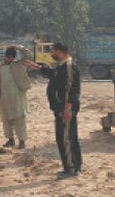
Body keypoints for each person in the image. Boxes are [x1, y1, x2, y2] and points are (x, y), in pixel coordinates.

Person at [26, 42, 82, 179]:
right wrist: (39, 68)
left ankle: (71, 169)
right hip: (61, 109)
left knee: (65, 139)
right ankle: (75, 165)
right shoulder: (61, 66)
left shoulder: (68, 67)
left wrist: (67, 109)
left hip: (65, 109)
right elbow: (54, 76)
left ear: (61, 51)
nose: (52, 54)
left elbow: (72, 90)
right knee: (68, 137)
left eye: (53, 51)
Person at [0, 46, 33, 149]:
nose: (8, 59)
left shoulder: (19, 64)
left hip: (18, 97)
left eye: (10, 57)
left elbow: (29, 54)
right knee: (6, 119)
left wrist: (19, 47)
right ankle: (10, 140)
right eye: (6, 57)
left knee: (19, 119)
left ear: (14, 58)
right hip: (4, 97)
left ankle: (22, 141)